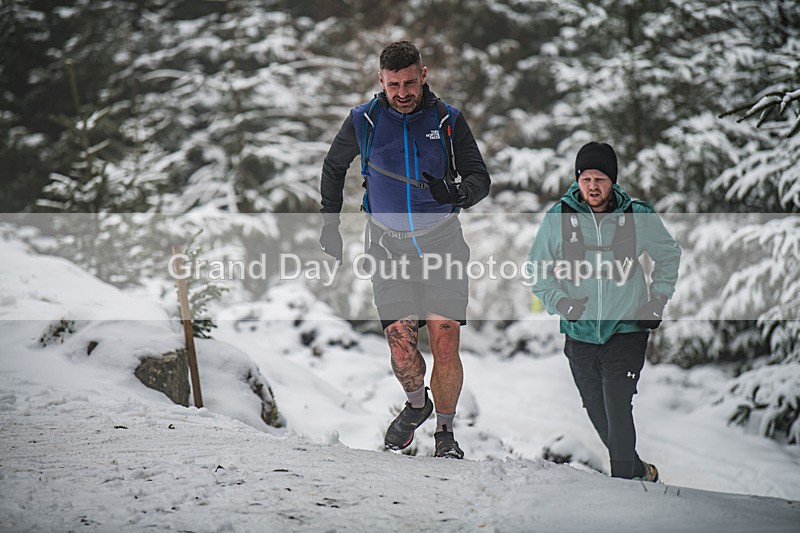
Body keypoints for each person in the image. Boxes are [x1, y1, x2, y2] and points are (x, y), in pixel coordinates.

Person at [318, 41, 491, 459]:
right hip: (386, 247)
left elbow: (479, 179)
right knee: (400, 343)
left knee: (445, 340)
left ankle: (446, 433)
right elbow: (333, 166)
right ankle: (417, 405)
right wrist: (330, 224)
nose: (402, 92)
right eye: (393, 84)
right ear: (381, 80)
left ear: (424, 75)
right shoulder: (365, 120)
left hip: (442, 243)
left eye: (410, 82)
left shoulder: (447, 119)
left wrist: (456, 190)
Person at [527, 142, 681, 481]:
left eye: (600, 179)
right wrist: (561, 303)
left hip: (626, 328)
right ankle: (638, 469)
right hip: (580, 332)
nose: (593, 187)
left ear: (612, 181)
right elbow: (537, 268)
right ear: (578, 180)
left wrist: (656, 301)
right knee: (598, 411)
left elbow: (668, 254)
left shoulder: (636, 215)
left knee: (617, 402)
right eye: (586, 179)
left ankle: (622, 488)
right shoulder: (560, 217)